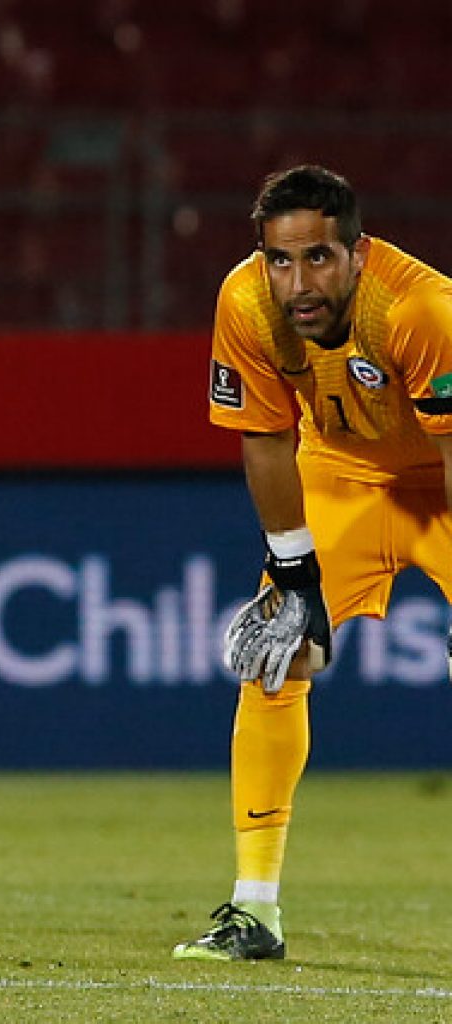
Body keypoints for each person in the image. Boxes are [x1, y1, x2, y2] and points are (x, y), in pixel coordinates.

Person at [172, 164, 452, 961]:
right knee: (278, 654)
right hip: (341, 472)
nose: (299, 279)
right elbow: (263, 436)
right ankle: (253, 911)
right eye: (281, 259)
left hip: (443, 476)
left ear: (357, 254)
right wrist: (293, 574)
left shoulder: (424, 311)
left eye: (320, 257)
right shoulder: (245, 304)